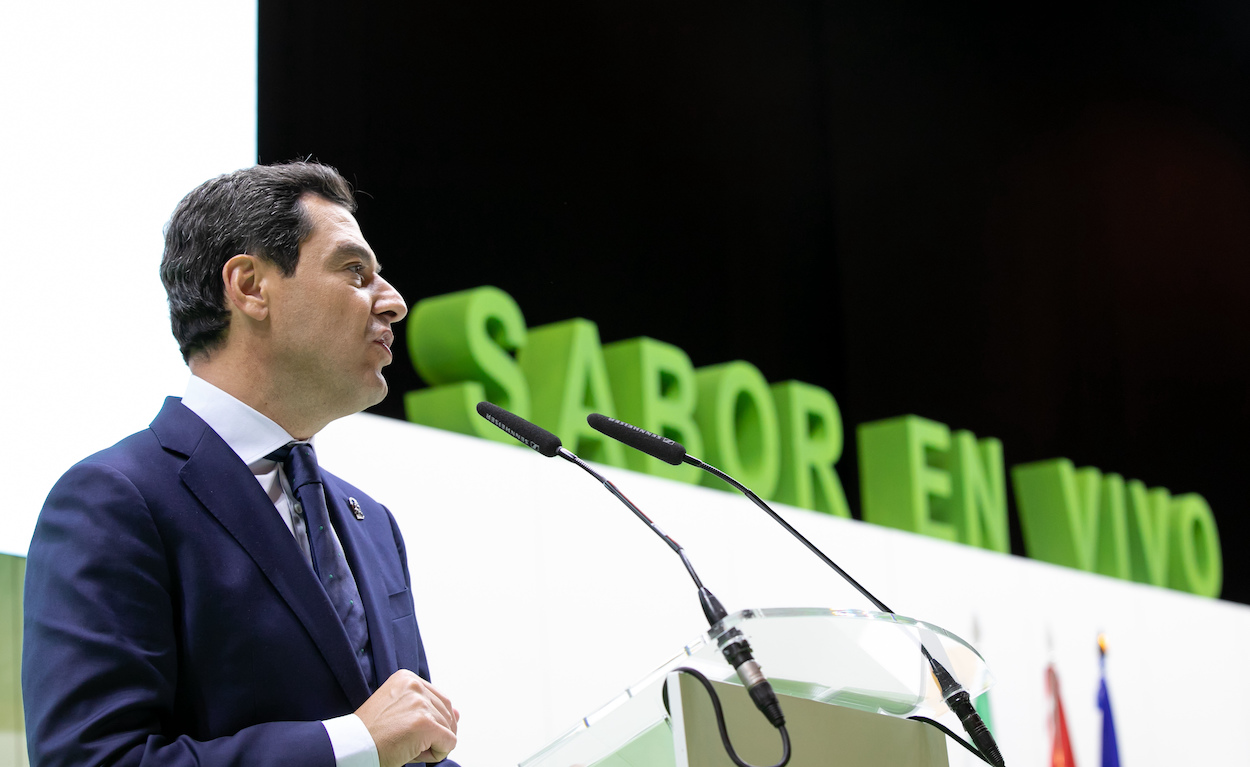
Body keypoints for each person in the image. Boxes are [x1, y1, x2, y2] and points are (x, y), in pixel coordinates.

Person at [22, 162, 461, 767]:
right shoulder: (114, 499)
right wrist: (352, 742)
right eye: (355, 271)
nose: (394, 303)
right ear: (250, 286)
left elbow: (411, 746)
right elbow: (96, 759)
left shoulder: (372, 522)